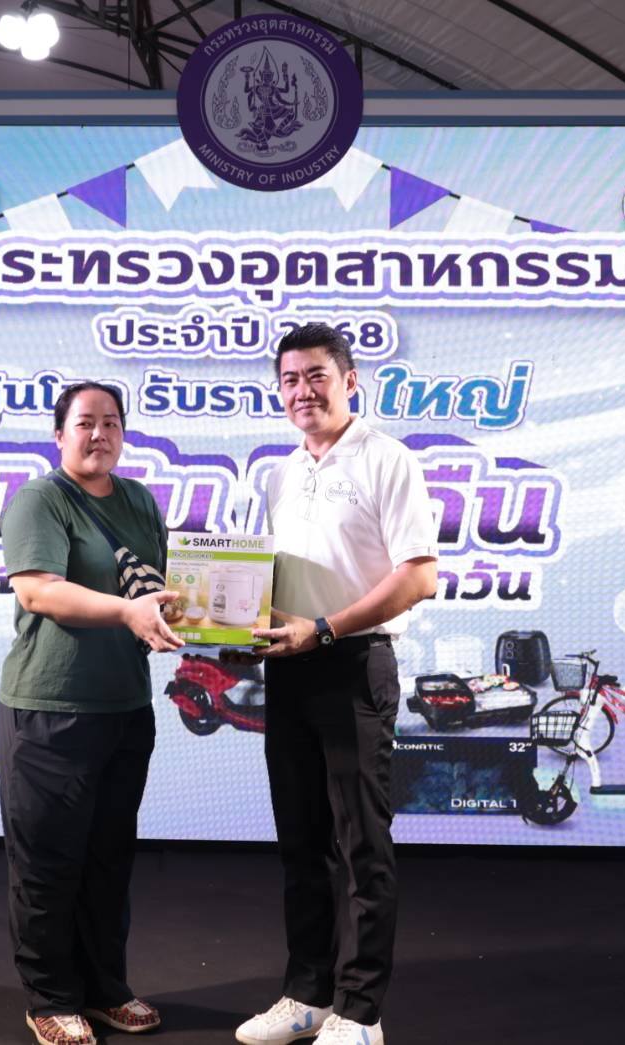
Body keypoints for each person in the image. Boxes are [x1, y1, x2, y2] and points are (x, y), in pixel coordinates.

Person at [235, 323, 437, 1045]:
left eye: (316, 375)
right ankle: (307, 995)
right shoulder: (280, 472)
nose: (302, 391)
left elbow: (417, 577)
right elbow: (271, 582)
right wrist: (238, 627)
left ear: (351, 381)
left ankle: (360, 1011)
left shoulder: (388, 459)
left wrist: (322, 629)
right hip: (289, 665)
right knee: (301, 840)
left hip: (354, 664)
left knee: (361, 844)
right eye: (289, 379)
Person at [0, 382, 182, 1045]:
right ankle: (49, 996)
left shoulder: (138, 500)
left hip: (125, 706)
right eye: (84, 422)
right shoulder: (39, 500)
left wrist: (221, 621)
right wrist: (128, 612)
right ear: (59, 435)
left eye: (111, 422)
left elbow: (159, 591)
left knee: (108, 859)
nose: (99, 433)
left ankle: (105, 989)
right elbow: (40, 592)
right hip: (50, 708)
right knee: (48, 862)